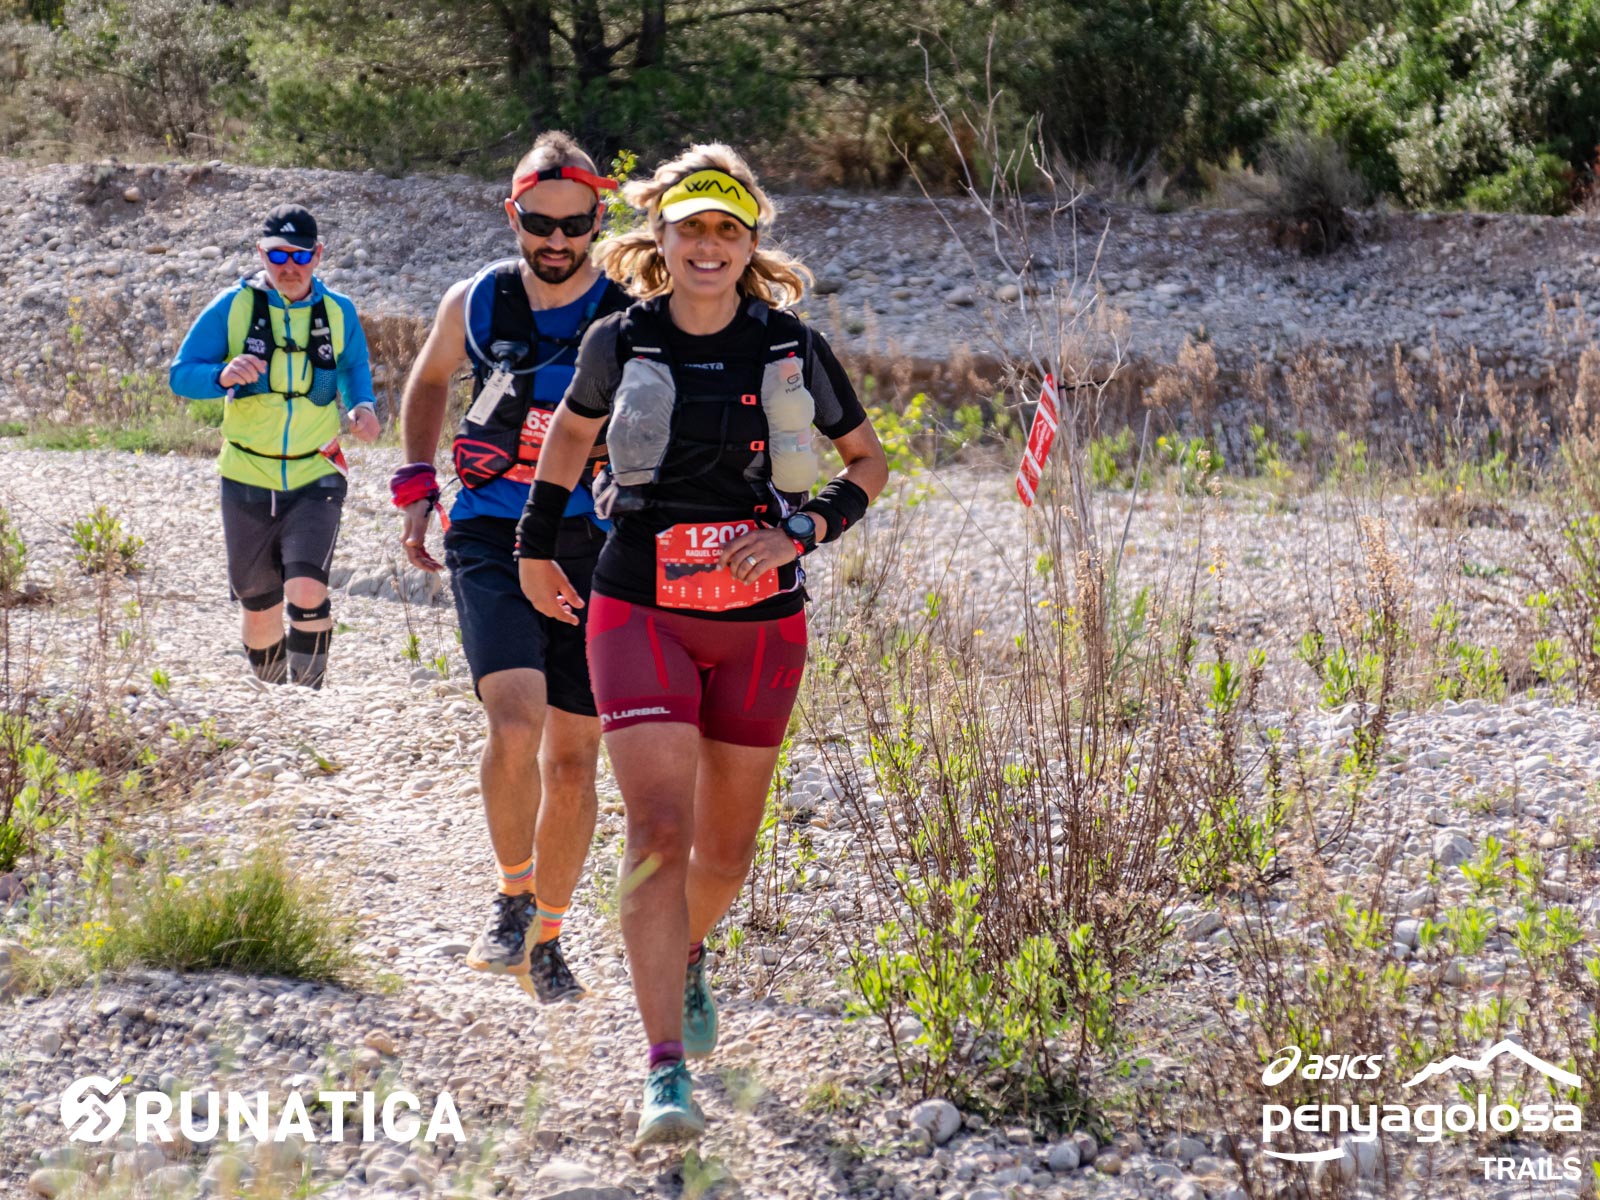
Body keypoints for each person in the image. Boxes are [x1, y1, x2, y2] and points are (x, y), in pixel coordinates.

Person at [516, 144, 888, 1144]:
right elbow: (569, 436)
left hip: (760, 624)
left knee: (723, 855)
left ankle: (684, 953)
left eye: (727, 230)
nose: (709, 247)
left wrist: (802, 531)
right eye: (691, 229)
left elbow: (866, 462)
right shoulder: (620, 338)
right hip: (638, 605)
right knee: (657, 836)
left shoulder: (790, 344)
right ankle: (662, 1071)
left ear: (750, 243)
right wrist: (534, 545)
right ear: (662, 238)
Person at [393, 132, 631, 1001]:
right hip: (492, 529)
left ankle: (549, 939)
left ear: (599, 221)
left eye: (574, 225)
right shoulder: (477, 300)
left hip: (592, 543)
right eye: (540, 223)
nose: (556, 241)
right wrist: (417, 481)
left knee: (574, 758)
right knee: (517, 720)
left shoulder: (629, 314)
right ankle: (511, 897)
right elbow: (428, 381)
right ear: (514, 216)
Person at [170, 204, 380, 690]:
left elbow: (352, 366)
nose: (289, 266)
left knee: (306, 589)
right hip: (245, 472)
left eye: (300, 256)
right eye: (277, 254)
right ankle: (272, 698)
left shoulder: (338, 310)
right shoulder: (231, 306)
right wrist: (221, 375)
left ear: (318, 255)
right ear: (260, 253)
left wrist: (362, 405)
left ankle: (306, 700)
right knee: (258, 602)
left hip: (316, 471)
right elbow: (181, 374)